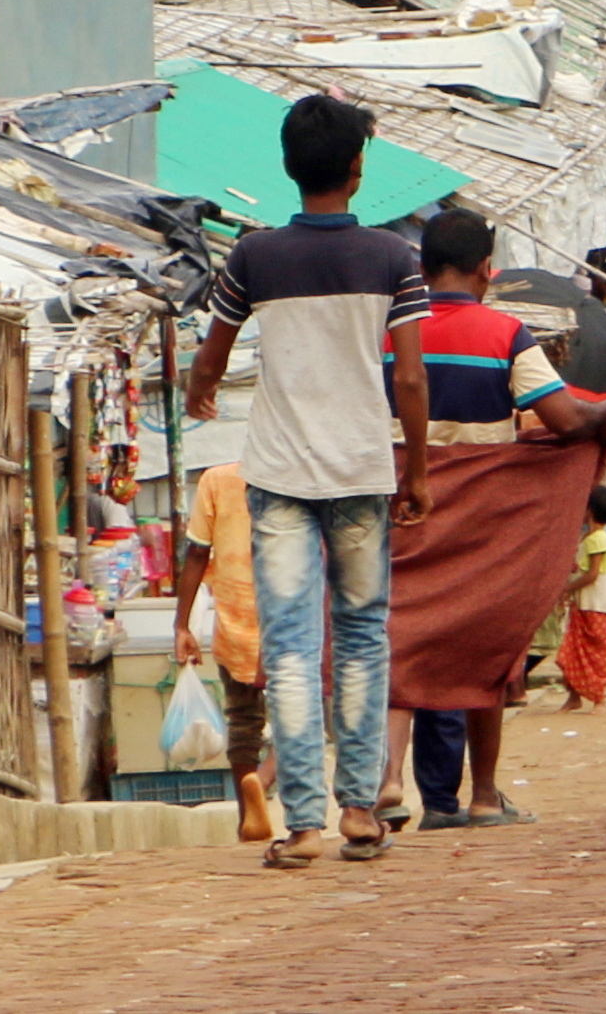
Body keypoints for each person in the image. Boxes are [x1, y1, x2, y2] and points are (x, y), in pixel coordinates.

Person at [182, 93, 429, 869]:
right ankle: (360, 808)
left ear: (288, 169)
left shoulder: (254, 257)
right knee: (360, 637)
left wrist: (202, 388)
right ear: (357, 170)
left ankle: (303, 825)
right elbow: (412, 379)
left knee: (288, 645)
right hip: (359, 467)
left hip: (280, 472)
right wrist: (415, 467)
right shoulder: (393, 258)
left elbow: (214, 349)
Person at [395, 210, 606, 835]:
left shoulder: (390, 333)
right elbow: (564, 420)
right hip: (476, 517)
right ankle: (485, 796)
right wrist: (601, 416)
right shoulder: (504, 333)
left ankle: (391, 786)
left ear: (422, 268)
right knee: (488, 645)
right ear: (484, 272)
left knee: (397, 641)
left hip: (402, 511)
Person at [170, 460, 276, 842]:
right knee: (303, 713)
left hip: (236, 622)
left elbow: (197, 553)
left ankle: (249, 818)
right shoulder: (300, 473)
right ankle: (263, 782)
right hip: (292, 617)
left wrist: (182, 624)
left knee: (243, 722)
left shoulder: (217, 480)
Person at [556, 487, 606, 710]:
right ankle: (575, 696)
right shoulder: (590, 537)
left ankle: (596, 697)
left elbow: (592, 575)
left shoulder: (597, 539)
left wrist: (567, 588)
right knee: (573, 651)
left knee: (593, 652)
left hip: (594, 605)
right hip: (583, 604)